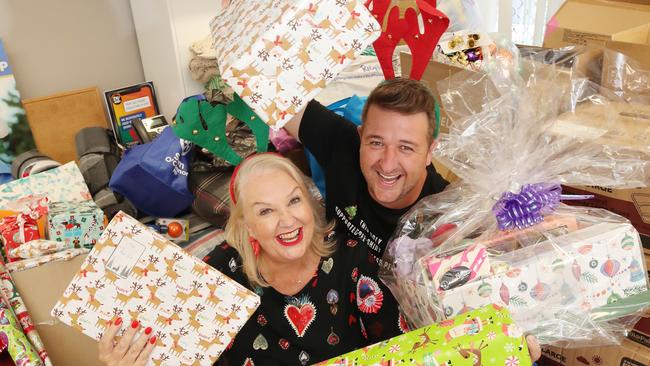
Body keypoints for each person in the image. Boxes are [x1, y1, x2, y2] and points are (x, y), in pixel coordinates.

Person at [98, 153, 404, 366]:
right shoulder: (219, 275)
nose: (287, 220)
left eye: (294, 201)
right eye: (265, 211)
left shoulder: (354, 260)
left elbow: (401, 351)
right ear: (247, 225)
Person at [284, 78, 449, 263]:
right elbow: (276, 98)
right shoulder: (343, 143)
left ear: (429, 152)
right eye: (376, 143)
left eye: (406, 148)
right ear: (361, 136)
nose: (387, 164)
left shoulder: (448, 213)